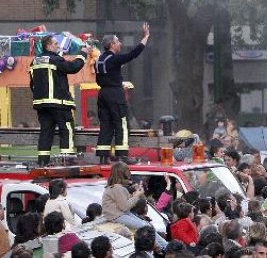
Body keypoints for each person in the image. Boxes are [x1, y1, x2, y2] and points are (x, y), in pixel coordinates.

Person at [29, 35, 89, 166]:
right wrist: (83, 54)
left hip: (42, 105)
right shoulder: (55, 59)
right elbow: (73, 67)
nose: (58, 46)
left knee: (45, 133)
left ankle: (43, 162)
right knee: (66, 130)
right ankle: (67, 161)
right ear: (48, 46)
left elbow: (32, 84)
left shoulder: (34, 61)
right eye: (56, 43)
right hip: (59, 103)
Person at [95, 23, 150, 163]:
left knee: (106, 125)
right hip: (115, 94)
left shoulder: (98, 60)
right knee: (121, 124)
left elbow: (99, 79)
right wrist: (146, 37)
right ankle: (122, 156)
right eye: (118, 41)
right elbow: (133, 54)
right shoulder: (114, 59)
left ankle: (103, 157)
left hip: (102, 95)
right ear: (112, 44)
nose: (120, 43)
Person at [101, 162, 167, 249]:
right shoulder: (117, 188)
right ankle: (165, 246)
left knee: (145, 224)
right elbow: (125, 206)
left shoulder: (115, 187)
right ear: (123, 173)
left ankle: (164, 245)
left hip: (120, 214)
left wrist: (133, 190)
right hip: (117, 215)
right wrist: (136, 195)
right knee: (144, 227)